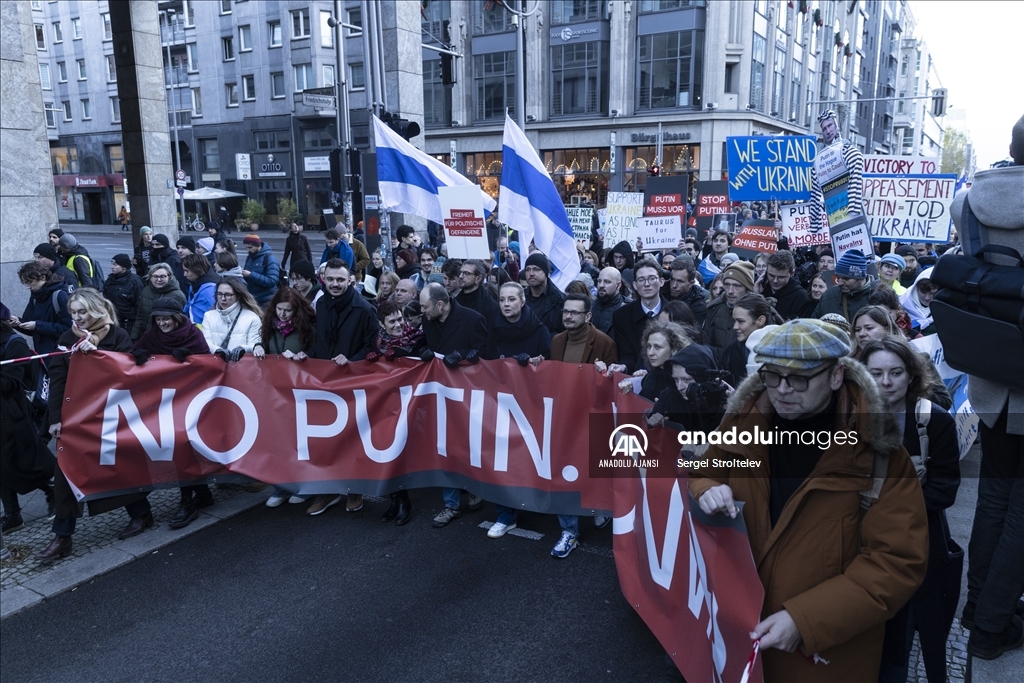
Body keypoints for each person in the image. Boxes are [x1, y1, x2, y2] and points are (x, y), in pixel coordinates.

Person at [689, 319, 928, 682]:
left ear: (836, 376)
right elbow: (705, 471)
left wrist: (805, 619)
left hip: (824, 657)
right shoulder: (744, 423)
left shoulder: (880, 456)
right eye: (772, 376)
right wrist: (707, 488)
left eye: (799, 378)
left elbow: (895, 563)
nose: (782, 390)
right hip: (734, 636)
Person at [950, 113, 1024, 660]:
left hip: (991, 377)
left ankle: (978, 606)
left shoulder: (969, 201)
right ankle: (992, 626)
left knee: (995, 497)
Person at [861, 337, 961, 683]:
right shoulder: (846, 419)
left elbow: (945, 488)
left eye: (895, 373)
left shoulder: (933, 421)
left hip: (915, 538)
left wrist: (894, 501)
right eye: (876, 373)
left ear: (910, 376)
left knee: (912, 620)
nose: (886, 383)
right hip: (861, 540)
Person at [37, 289, 154, 563]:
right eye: (73, 313)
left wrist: (98, 354)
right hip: (76, 418)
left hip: (110, 415)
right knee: (65, 472)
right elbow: (58, 380)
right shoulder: (67, 339)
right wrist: (55, 419)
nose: (78, 318)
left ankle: (141, 512)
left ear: (97, 309)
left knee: (116, 465)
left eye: (83, 312)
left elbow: (127, 375)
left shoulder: (118, 336)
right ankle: (62, 536)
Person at [301, 260, 379, 516]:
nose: (335, 284)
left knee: (351, 438)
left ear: (350, 281)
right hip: (324, 382)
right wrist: (306, 354)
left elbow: (372, 349)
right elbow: (322, 344)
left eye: (340, 280)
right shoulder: (321, 304)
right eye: (330, 279)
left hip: (352, 382)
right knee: (324, 439)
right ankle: (326, 490)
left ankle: (353, 490)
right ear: (323, 279)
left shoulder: (365, 309)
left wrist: (351, 360)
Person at [133, 296, 216, 529]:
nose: (162, 324)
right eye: (158, 319)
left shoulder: (193, 335)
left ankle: (189, 501)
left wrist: (189, 358)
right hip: (166, 402)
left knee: (185, 446)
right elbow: (136, 350)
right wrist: (137, 357)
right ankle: (199, 495)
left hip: (193, 400)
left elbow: (208, 362)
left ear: (177, 318)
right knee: (180, 447)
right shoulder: (152, 336)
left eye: (166, 319)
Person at [419, 283, 487, 528]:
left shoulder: (473, 319)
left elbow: (485, 350)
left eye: (425, 307)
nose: (422, 312)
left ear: (440, 305)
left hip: (468, 396)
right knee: (444, 447)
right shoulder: (429, 320)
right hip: (440, 395)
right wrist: (424, 351)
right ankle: (451, 504)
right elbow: (425, 343)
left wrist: (463, 354)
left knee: (468, 445)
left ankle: (474, 487)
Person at [364, 299, 428, 525]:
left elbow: (425, 363)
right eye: (392, 322)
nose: (399, 324)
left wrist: (403, 354)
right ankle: (396, 499)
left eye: (400, 319)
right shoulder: (378, 341)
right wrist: (373, 358)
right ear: (382, 324)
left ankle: (404, 501)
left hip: (411, 404)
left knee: (401, 452)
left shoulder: (418, 337)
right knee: (387, 451)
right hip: (386, 403)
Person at [0, 318, 56, 534]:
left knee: (27, 461)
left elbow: (10, 383)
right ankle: (13, 515)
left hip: (12, 414)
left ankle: (54, 490)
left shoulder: (13, 344)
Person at [809, 109, 865, 233]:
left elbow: (857, 160)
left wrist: (854, 209)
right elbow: (815, 195)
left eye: (830, 126)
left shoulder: (847, 151)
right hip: (833, 216)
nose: (828, 131)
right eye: (824, 129)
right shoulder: (819, 161)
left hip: (853, 218)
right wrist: (815, 224)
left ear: (836, 125)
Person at [612, 258, 668, 373]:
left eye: (652, 279)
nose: (647, 284)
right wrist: (623, 366)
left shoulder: (675, 312)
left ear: (661, 281)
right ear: (635, 285)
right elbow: (627, 353)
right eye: (641, 280)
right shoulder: (621, 316)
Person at [12, 262, 72, 362]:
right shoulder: (35, 296)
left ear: (43, 277)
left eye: (29, 282)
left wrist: (37, 325)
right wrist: (18, 322)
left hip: (59, 354)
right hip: (42, 353)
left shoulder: (60, 295)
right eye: (25, 283)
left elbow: (70, 329)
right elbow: (31, 327)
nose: (28, 287)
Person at [721, 293, 782, 384]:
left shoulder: (780, 348)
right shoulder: (734, 348)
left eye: (741, 321)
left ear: (760, 320)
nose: (735, 327)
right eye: (734, 321)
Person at [485, 282, 550, 363]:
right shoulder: (493, 328)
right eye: (502, 300)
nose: (506, 304)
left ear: (522, 302)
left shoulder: (540, 331)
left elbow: (546, 365)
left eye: (511, 299)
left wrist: (531, 361)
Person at [201, 277, 263, 359]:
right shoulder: (208, 316)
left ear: (238, 296)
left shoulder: (252, 318)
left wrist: (243, 348)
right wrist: (217, 350)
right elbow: (205, 342)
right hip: (216, 366)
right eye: (219, 294)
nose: (223, 298)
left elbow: (255, 345)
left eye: (228, 295)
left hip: (241, 368)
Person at [703, 260, 755, 356]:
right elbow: (705, 343)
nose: (730, 291)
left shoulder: (760, 311)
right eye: (727, 285)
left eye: (737, 286)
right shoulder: (714, 308)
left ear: (748, 289)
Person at [813, 249, 875, 323]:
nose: (840, 282)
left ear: (861, 278)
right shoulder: (829, 295)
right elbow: (814, 325)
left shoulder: (879, 297)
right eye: (838, 277)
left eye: (846, 278)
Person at [131, 263, 186, 340]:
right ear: (150, 277)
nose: (159, 280)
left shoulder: (178, 296)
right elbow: (140, 317)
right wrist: (134, 337)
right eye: (155, 276)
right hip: (146, 337)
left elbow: (181, 322)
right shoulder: (146, 291)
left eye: (163, 276)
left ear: (170, 277)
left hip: (166, 339)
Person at [759, 251, 816, 321]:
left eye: (781, 277)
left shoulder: (801, 298)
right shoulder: (760, 288)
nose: (775, 281)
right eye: (771, 275)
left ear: (792, 273)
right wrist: (755, 294)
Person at [522, 253, 566, 335]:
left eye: (536, 269)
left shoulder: (560, 300)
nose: (531, 273)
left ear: (546, 272)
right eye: (528, 269)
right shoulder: (520, 297)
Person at [102, 254, 144, 332]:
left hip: (128, 324)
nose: (112, 267)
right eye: (112, 264)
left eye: (115, 264)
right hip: (111, 320)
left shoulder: (135, 281)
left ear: (124, 267)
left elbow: (140, 305)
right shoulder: (110, 279)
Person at [241, 234, 281, 307]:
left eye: (250, 247)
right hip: (253, 299)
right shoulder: (250, 258)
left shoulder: (270, 259)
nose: (248, 250)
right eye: (246, 248)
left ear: (258, 245)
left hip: (266, 300)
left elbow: (272, 281)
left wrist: (250, 275)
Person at [664, 259, 708, 326]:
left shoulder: (698, 305)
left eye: (680, 281)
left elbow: (693, 332)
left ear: (691, 283)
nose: (674, 285)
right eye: (672, 279)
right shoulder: (661, 292)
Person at [456, 259, 500, 324]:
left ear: (478, 278)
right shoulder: (455, 301)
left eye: (466, 273)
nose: (460, 276)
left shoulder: (490, 305)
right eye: (460, 272)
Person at [182, 254, 220, 327]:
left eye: (187, 271)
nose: (184, 274)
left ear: (197, 269)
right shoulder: (195, 283)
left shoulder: (209, 291)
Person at [898, 267, 937, 336]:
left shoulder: (947, 308)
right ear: (916, 288)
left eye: (932, 293)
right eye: (923, 292)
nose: (927, 298)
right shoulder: (901, 305)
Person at [591, 267, 625, 335]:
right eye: (599, 281)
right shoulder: (590, 306)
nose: (601, 285)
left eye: (607, 282)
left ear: (618, 285)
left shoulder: (627, 309)